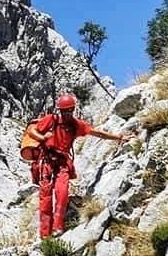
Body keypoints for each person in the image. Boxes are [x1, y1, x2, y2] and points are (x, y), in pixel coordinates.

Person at [28, 93, 131, 239]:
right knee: (45, 198)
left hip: (62, 162)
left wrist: (119, 137)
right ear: (60, 110)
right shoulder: (50, 120)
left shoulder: (76, 125)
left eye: (70, 110)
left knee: (62, 193)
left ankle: (58, 227)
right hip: (46, 162)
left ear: (73, 109)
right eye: (65, 111)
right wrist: (42, 137)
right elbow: (31, 131)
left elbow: (97, 133)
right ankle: (45, 235)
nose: (67, 113)